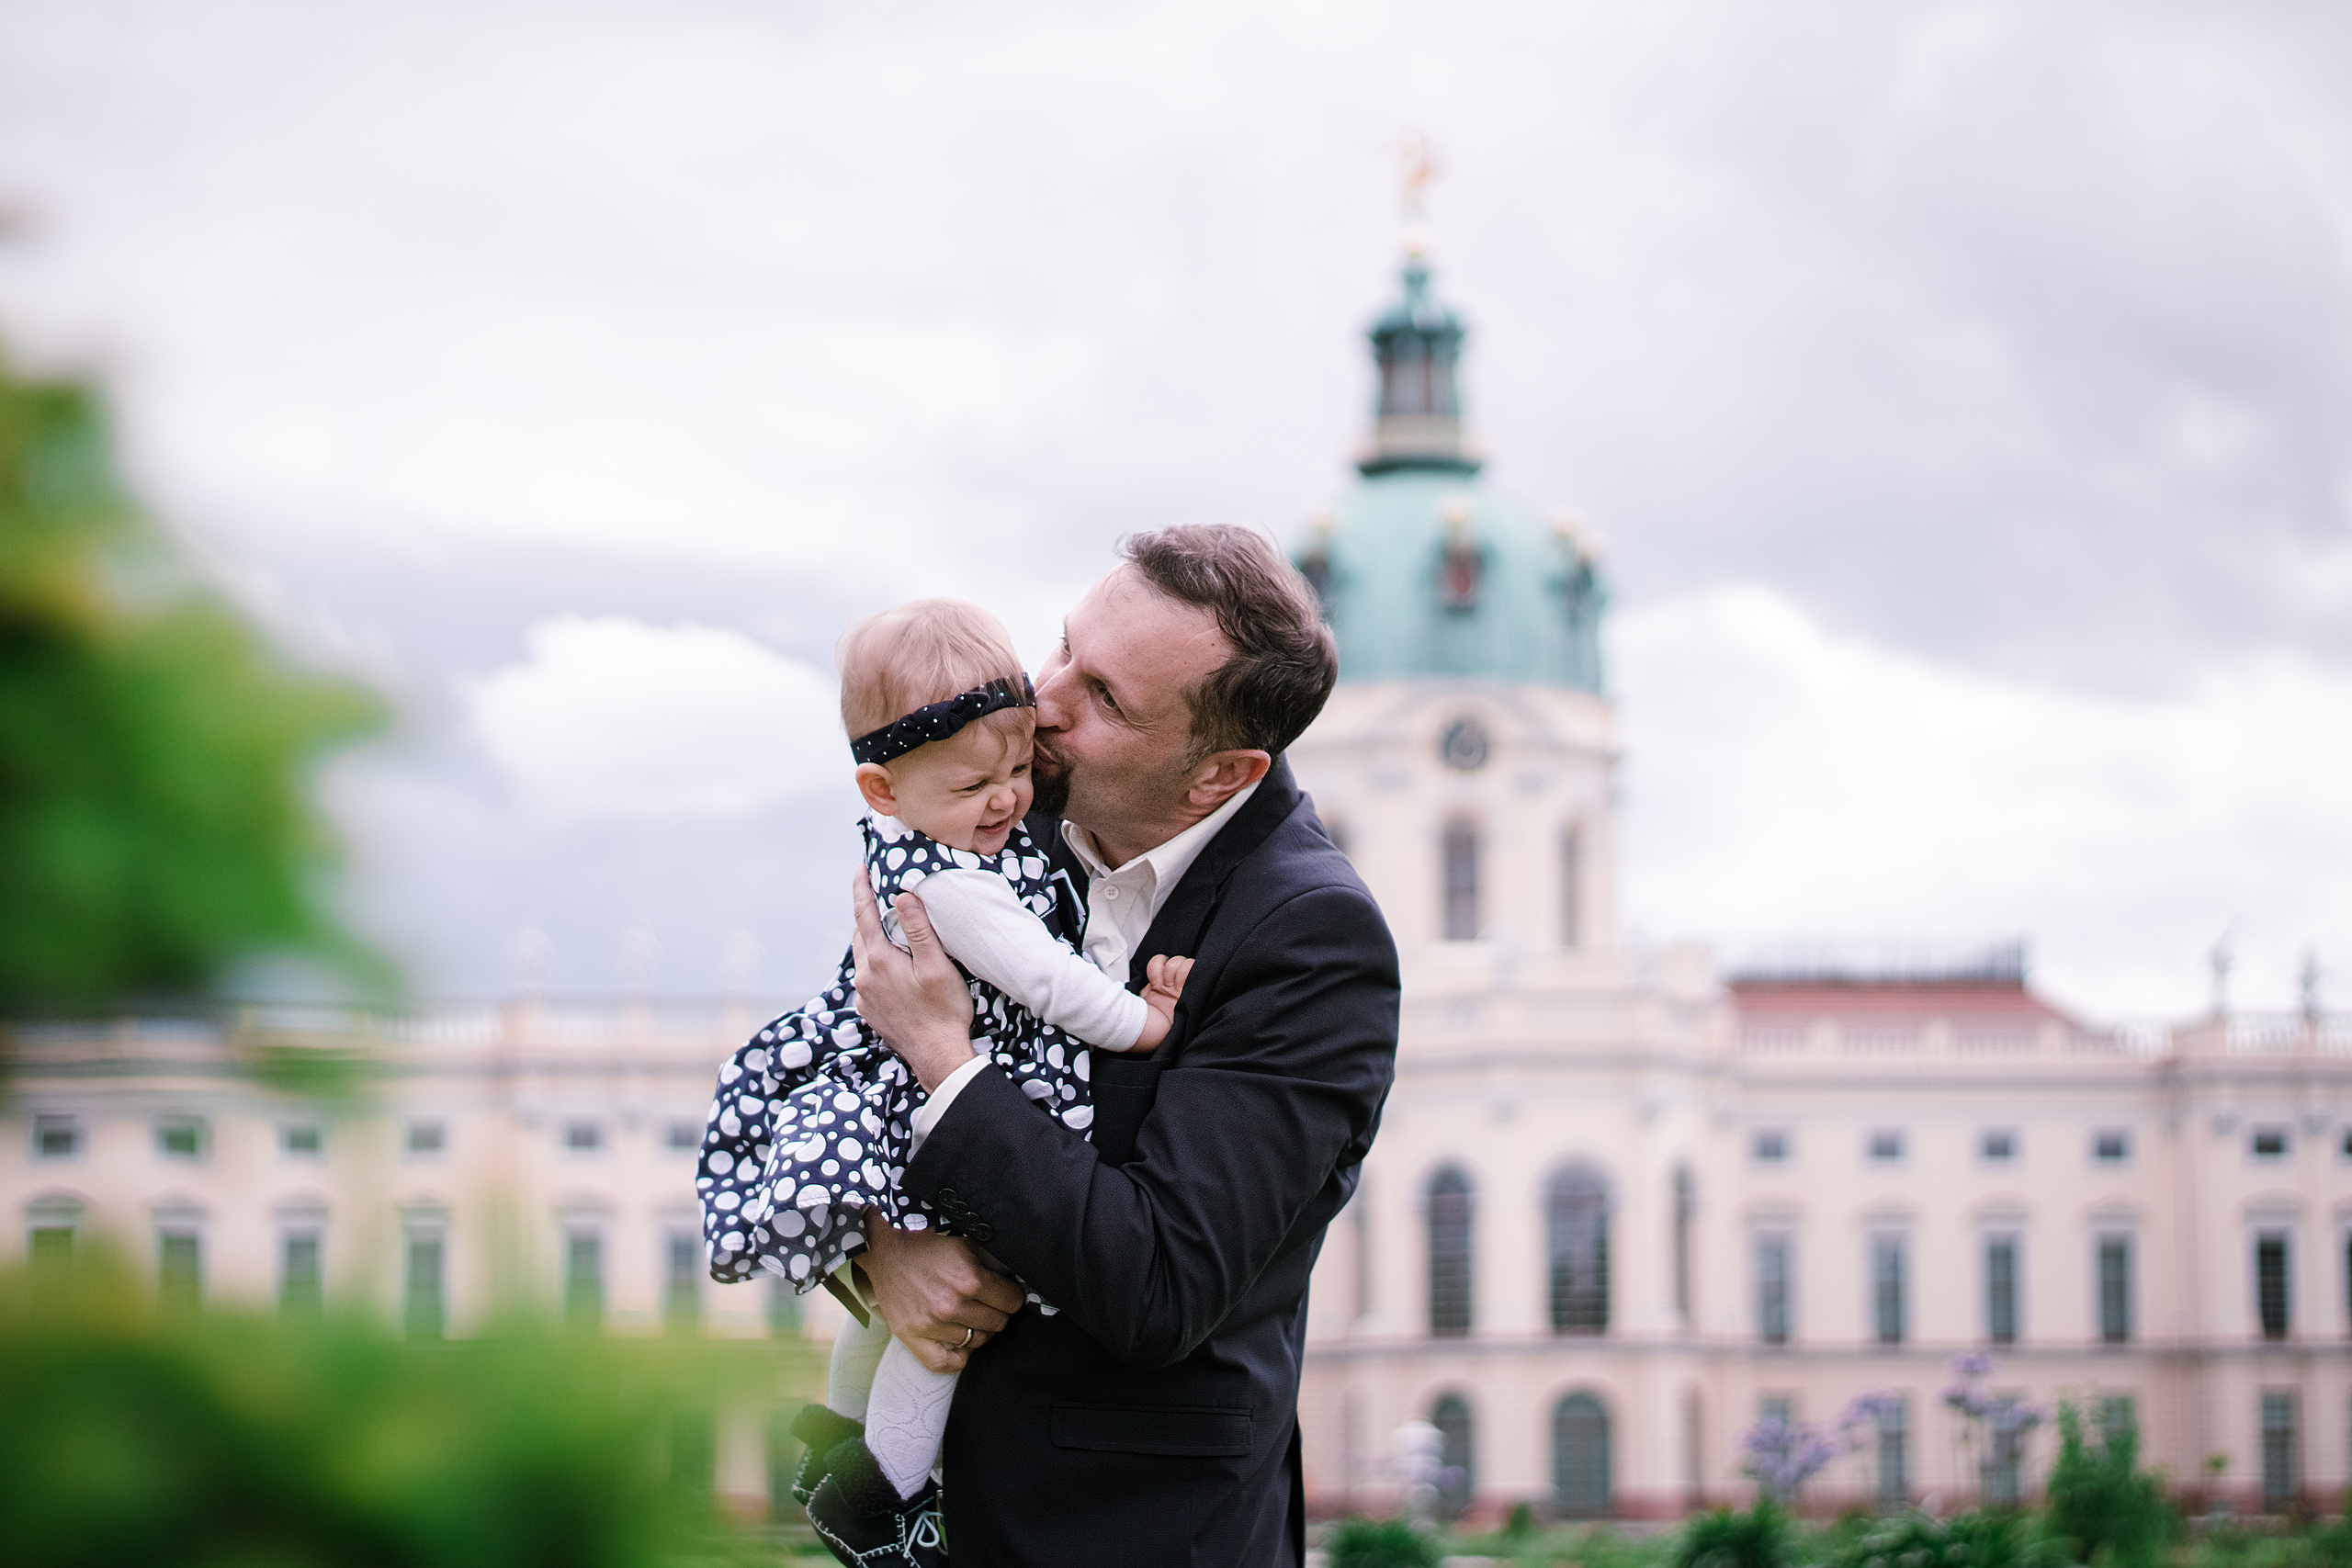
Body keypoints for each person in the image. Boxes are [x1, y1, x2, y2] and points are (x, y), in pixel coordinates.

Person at [847, 525, 1401, 1567]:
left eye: (1102, 697)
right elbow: (849, 1079)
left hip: (1131, 1530)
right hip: (941, 1522)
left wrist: (942, 1062)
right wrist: (883, 1246)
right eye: (1061, 647)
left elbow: (1159, 1283)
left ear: (1216, 774)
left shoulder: (1314, 940)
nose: (1040, 699)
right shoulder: (1000, 825)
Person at [697, 598, 1193, 1568]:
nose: (1011, 798)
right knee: (940, 1340)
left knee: (900, 1312)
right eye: (977, 781)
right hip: (941, 1115)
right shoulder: (960, 885)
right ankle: (887, 1508)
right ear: (882, 788)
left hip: (897, 1108)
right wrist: (1146, 1022)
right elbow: (1050, 983)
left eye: (1017, 768)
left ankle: (835, 1436)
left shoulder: (923, 844)